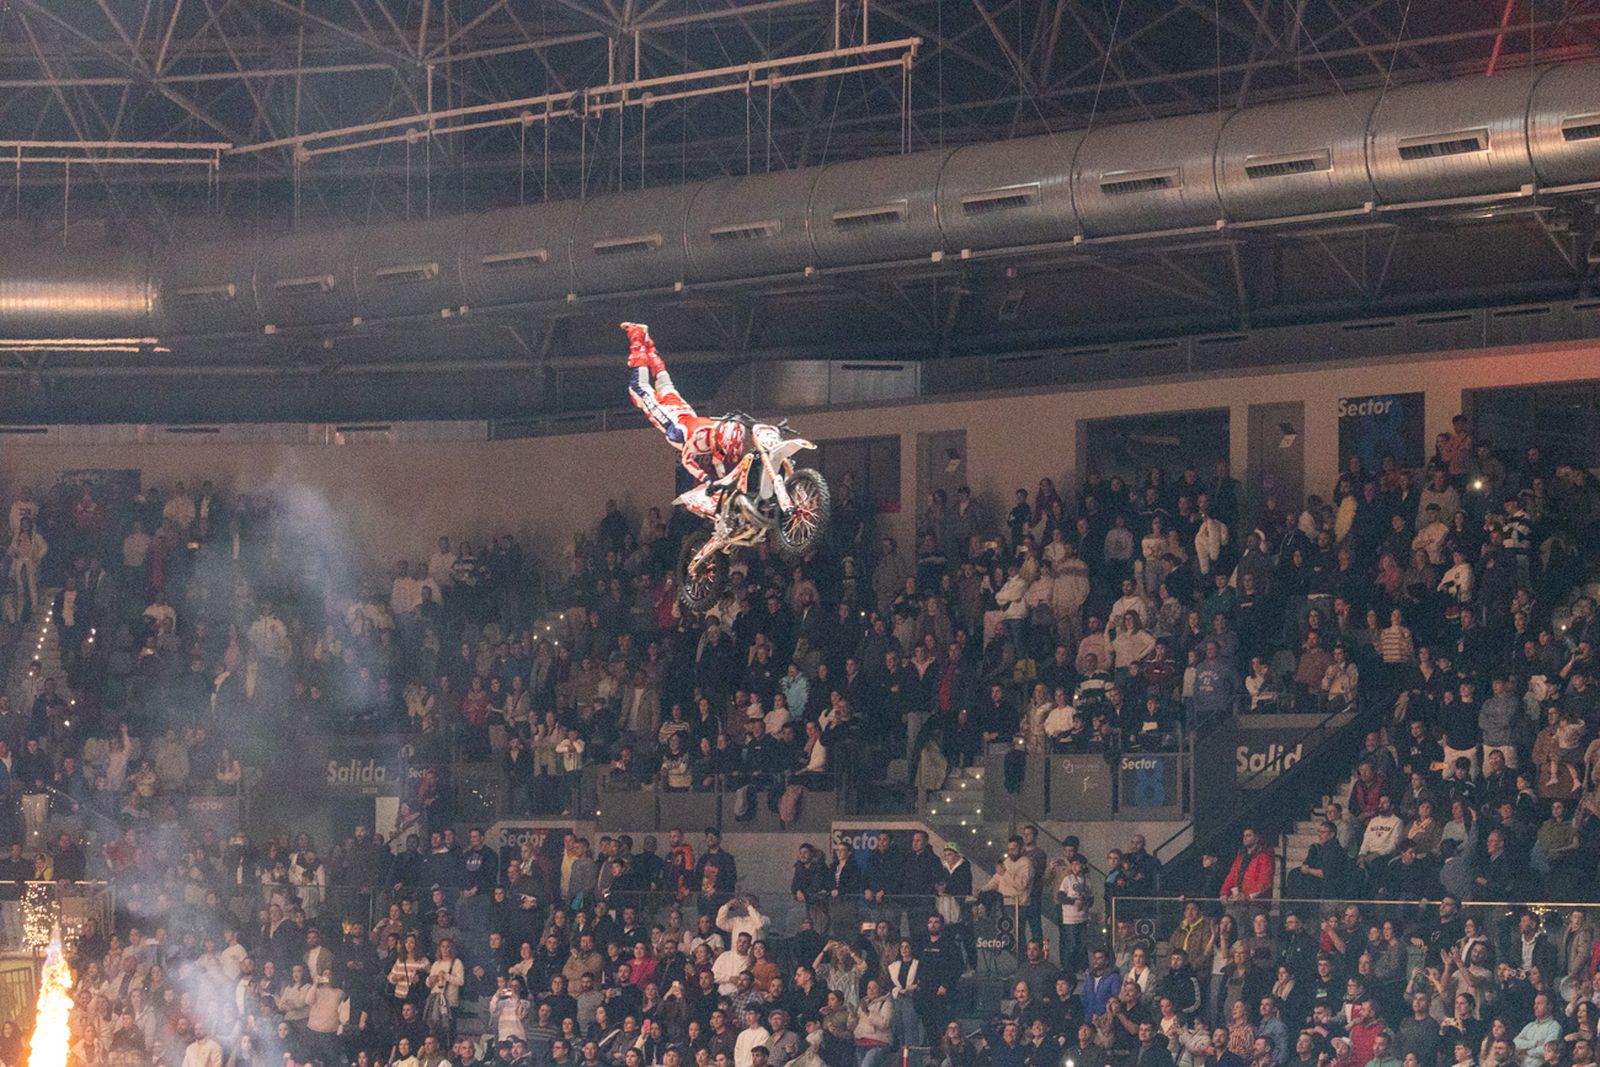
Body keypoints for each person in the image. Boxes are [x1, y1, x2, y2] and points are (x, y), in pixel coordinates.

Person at [624, 322, 748, 520]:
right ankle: (637, 338)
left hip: (682, 408)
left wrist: (724, 479)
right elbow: (687, 460)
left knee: (663, 378)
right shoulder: (698, 438)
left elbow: (717, 459)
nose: (723, 453)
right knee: (638, 388)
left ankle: (648, 342)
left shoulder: (717, 431)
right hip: (670, 416)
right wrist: (706, 478)